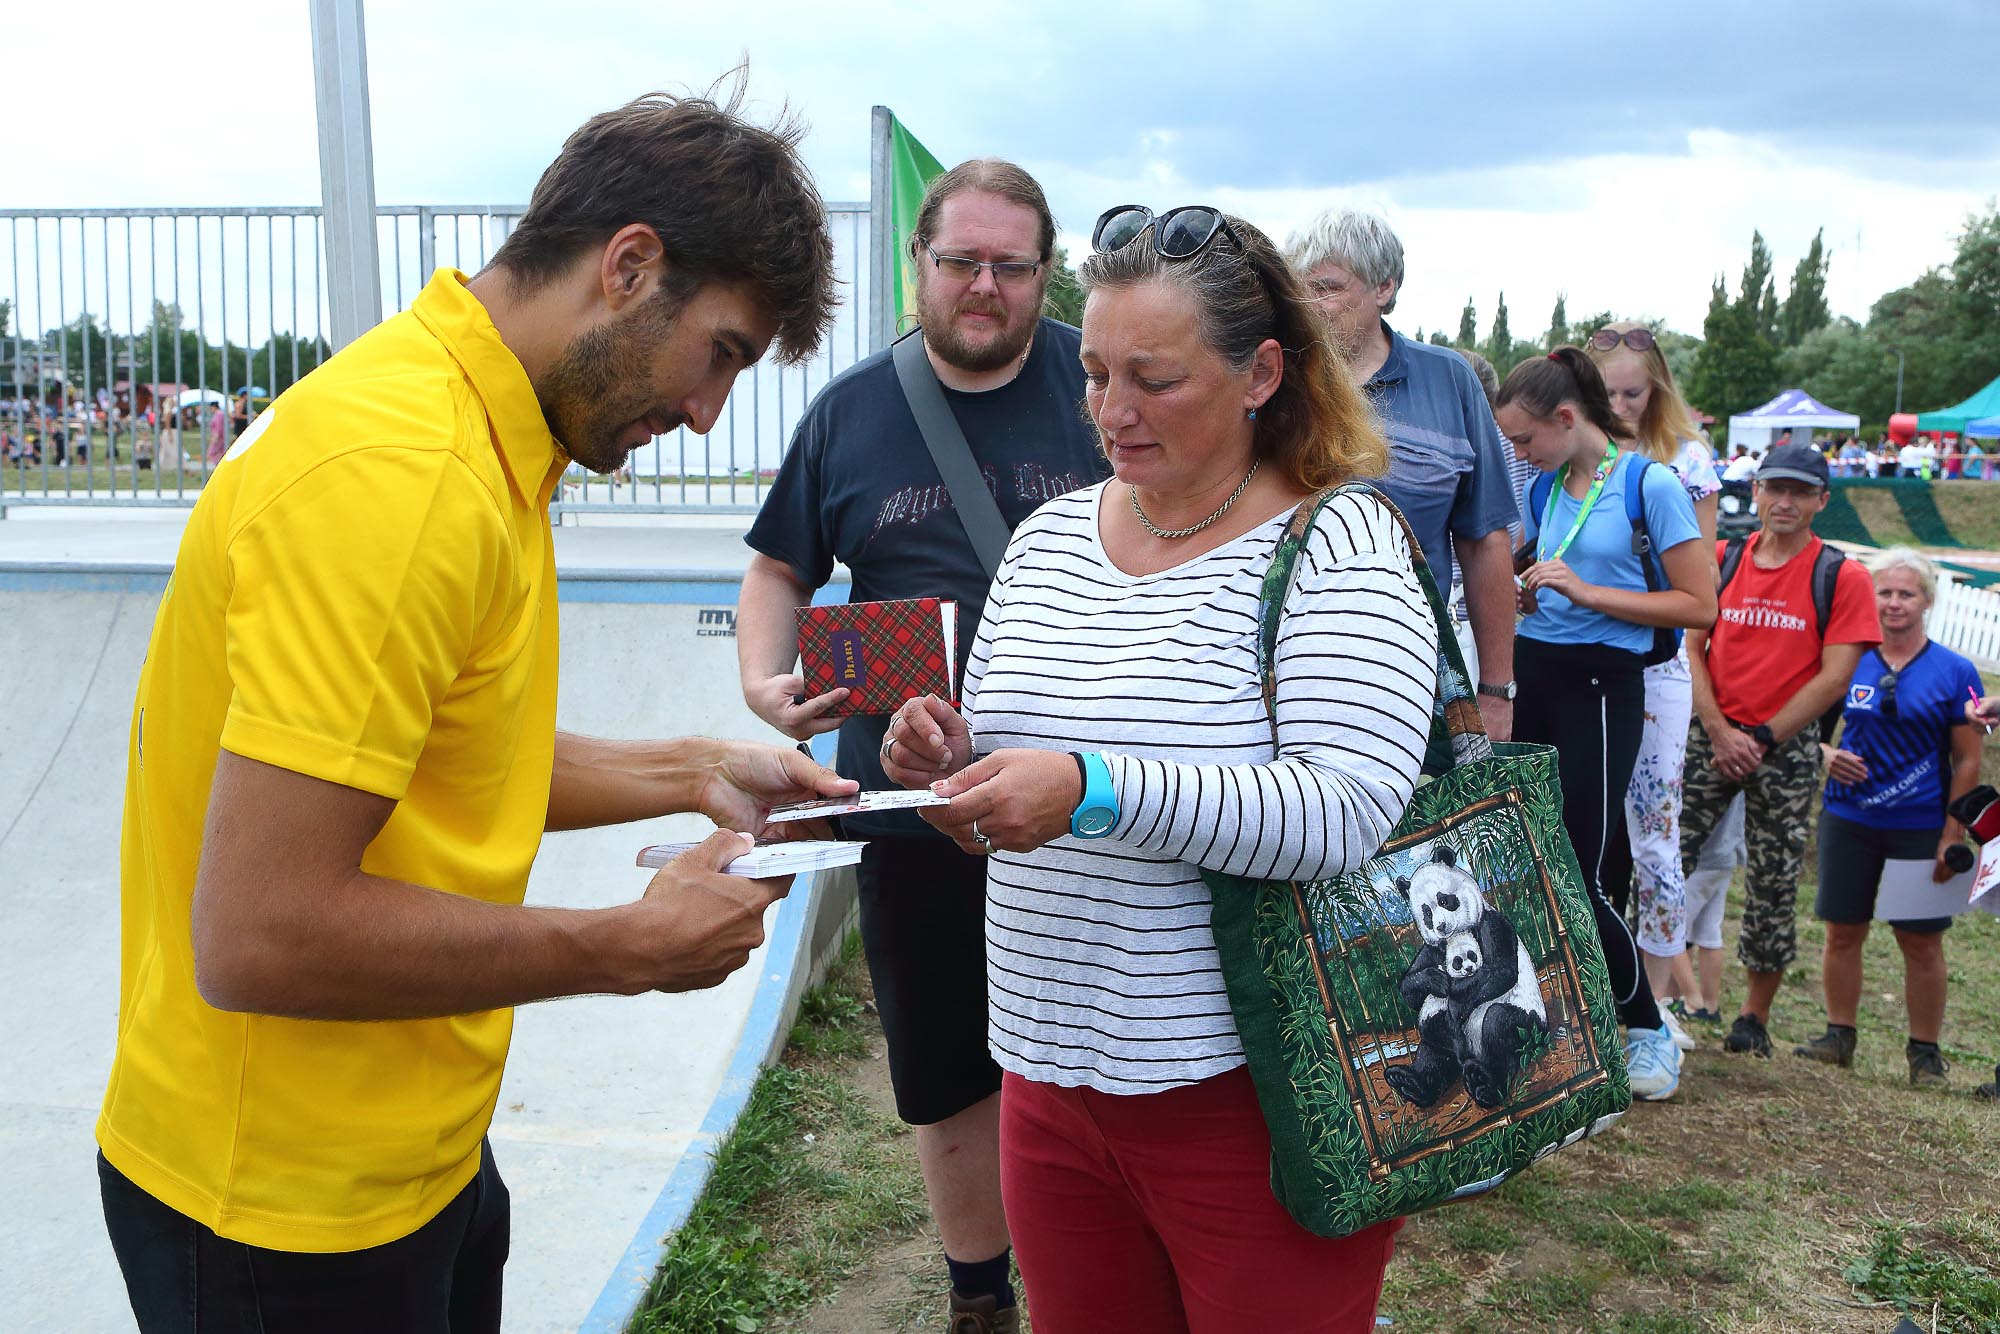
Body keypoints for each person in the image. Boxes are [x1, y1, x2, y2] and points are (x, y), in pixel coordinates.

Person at [95, 86, 856, 1333]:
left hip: (415, 1159)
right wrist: (623, 944)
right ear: (628, 266)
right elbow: (262, 928)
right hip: (281, 1215)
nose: (711, 410)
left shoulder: (476, 429)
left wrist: (693, 768)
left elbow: (431, 758)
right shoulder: (404, 476)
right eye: (718, 350)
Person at [882, 205, 1430, 1332]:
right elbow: (1004, 749)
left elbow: (1344, 809)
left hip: (1257, 1087)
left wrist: (1089, 788)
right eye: (1090, 373)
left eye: (1154, 378)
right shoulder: (1046, 537)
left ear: (1260, 372)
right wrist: (950, 760)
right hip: (1042, 1072)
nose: (1110, 411)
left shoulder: (1336, 541)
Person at [735, 159, 1104, 1333]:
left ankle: (1102, 1282)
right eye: (960, 262)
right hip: (910, 797)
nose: (983, 287)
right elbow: (776, 567)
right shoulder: (850, 408)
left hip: (1091, 790)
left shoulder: (1109, 390)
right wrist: (762, 679)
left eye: (1010, 265)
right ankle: (978, 1292)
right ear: (918, 265)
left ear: (1047, 273)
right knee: (944, 1060)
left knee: (1105, 1050)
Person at [1496, 347, 1715, 1101]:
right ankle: (1560, 1022)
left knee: (1580, 873)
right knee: (1525, 864)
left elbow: (1699, 606)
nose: (1518, 456)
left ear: (1567, 418)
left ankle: (1650, 1030)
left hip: (1602, 681)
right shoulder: (1550, 487)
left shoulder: (1652, 483)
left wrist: (1587, 595)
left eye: (1526, 440)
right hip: (1536, 673)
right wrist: (1534, 594)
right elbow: (1547, 568)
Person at [1676, 444, 1880, 1058]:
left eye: (1800, 491)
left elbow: (1835, 676)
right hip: (1710, 732)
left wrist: (1762, 737)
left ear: (1822, 500)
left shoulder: (1842, 575)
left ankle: (1752, 1019)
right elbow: (1690, 648)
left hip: (1786, 749)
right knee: (1664, 865)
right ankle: (1649, 997)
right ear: (1757, 492)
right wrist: (1717, 728)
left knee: (1773, 881)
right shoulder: (1723, 558)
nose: (1785, 502)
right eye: (1775, 489)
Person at [1287, 209, 1519, 739]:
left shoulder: (1450, 381)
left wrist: (1497, 690)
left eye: (1326, 288)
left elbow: (1484, 541)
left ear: (1384, 288)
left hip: (1415, 674)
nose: (1307, 307)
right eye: (1298, 290)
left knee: (1424, 820)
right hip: (1282, 670)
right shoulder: (1271, 379)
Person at [1798, 548, 1982, 1085]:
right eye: (1885, 592)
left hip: (1921, 824)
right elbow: (1805, 726)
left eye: (1907, 593)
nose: (1895, 603)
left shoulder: (1955, 670)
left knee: (1920, 939)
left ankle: (1925, 1055)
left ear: (1927, 601)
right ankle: (1839, 1037)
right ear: (1870, 597)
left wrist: (1953, 831)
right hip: (1848, 818)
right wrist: (1826, 756)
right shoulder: (1847, 660)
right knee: (1842, 931)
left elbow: (1969, 757)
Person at [1586, 321, 1721, 1042]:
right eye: (1607, 393)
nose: (1622, 405)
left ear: (1657, 390)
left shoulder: (1685, 462)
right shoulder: (1579, 456)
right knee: (1593, 831)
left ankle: (1658, 1003)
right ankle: (1605, 988)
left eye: (1633, 392)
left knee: (1655, 832)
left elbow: (1703, 580)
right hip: (1586, 661)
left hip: (1658, 664)